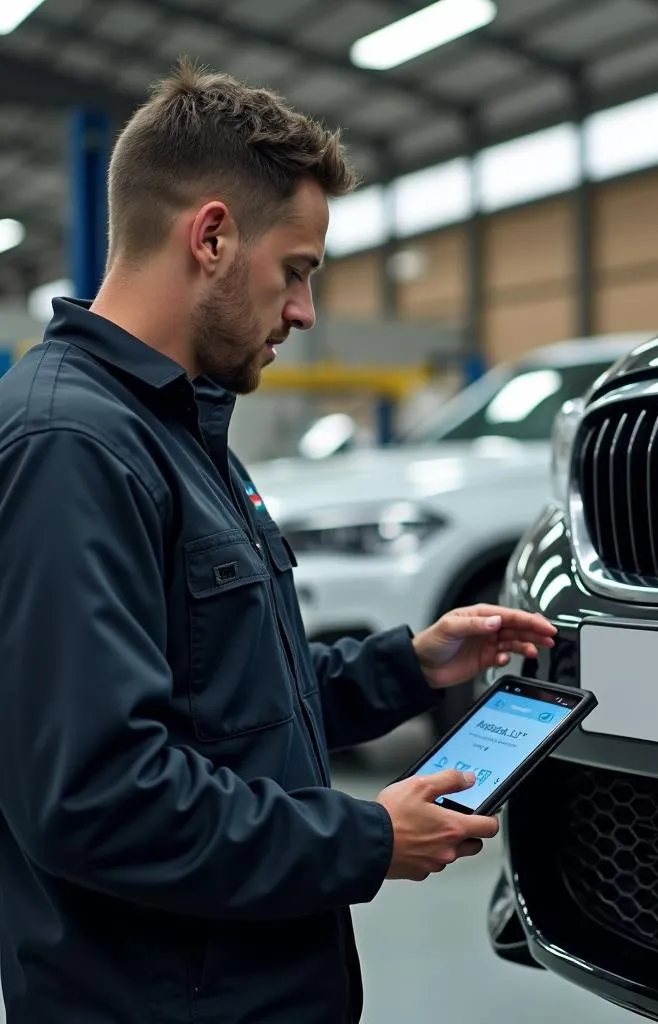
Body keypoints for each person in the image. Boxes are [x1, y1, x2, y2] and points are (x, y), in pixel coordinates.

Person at [0, 58, 557, 1024]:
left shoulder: (180, 429)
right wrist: (364, 838)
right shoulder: (72, 447)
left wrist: (404, 668)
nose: (303, 310)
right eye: (296, 270)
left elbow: (224, 705)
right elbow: (96, 796)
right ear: (211, 237)